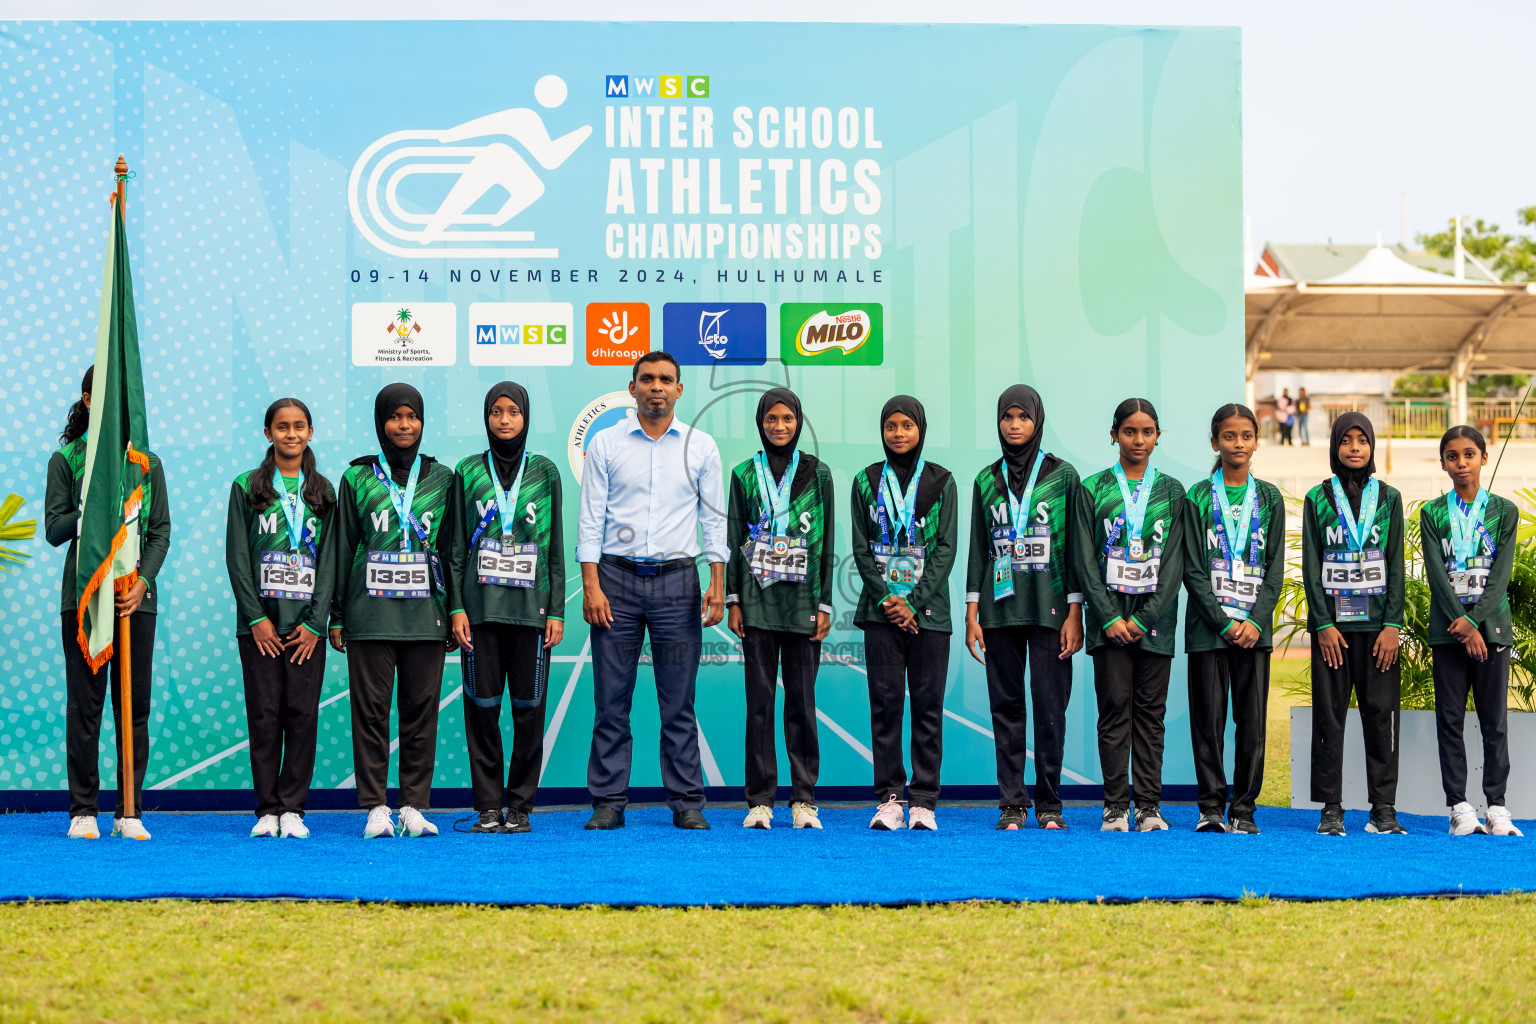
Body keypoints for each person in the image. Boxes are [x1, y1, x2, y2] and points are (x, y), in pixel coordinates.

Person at [576, 351, 727, 831]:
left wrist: (718, 584)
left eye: (666, 379)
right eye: (647, 379)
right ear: (632, 387)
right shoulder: (604, 443)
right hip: (614, 584)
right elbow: (590, 519)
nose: (656, 387)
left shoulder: (701, 446)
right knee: (610, 700)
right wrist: (591, 585)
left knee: (678, 701)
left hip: (678, 584)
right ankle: (608, 801)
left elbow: (713, 520)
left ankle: (687, 801)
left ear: (679, 389)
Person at [46, 366, 170, 840]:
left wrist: (145, 581)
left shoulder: (147, 463)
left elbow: (159, 531)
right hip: (84, 600)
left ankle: (129, 811)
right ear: (87, 399)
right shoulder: (67, 459)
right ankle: (83, 810)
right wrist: (93, 511)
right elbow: (56, 529)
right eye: (104, 396)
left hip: (135, 600)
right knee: (85, 706)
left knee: (133, 708)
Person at [328, 383, 456, 839]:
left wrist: (455, 610)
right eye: (395, 417)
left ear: (422, 422)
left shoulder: (442, 478)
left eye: (412, 417)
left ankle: (415, 807)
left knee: (421, 712)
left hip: (426, 616)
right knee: (371, 713)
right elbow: (341, 549)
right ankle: (376, 808)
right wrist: (337, 615)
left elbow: (452, 549)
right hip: (369, 617)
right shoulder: (357, 479)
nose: (404, 425)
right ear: (381, 422)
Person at [963, 385, 1084, 831]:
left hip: (1052, 610)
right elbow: (979, 548)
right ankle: (1012, 803)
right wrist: (972, 613)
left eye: (1023, 417)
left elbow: (1075, 548)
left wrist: (1076, 611)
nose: (1014, 425)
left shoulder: (1063, 477)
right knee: (1006, 708)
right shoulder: (985, 479)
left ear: (1037, 421)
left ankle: (1050, 804)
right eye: (1007, 417)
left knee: (1051, 708)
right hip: (999, 611)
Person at [447, 382, 565, 834]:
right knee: (482, 711)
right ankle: (488, 807)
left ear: (526, 417)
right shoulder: (467, 471)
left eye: (513, 411)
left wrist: (555, 610)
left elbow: (555, 547)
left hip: (532, 614)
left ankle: (520, 807)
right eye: (496, 411)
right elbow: (456, 547)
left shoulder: (546, 471)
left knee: (529, 710)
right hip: (479, 614)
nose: (504, 420)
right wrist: (456, 607)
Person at [224, 398, 335, 839]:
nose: (291, 434)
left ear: (310, 433)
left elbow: (330, 561)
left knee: (302, 715)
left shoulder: (324, 491)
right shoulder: (246, 486)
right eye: (282, 427)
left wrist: (315, 623)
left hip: (307, 628)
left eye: (299, 426)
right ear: (267, 433)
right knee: (265, 715)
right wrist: (255, 618)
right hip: (261, 628)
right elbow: (236, 557)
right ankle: (267, 809)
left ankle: (293, 809)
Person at [1073, 398, 1186, 833]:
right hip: (1109, 626)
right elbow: (1084, 560)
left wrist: (1144, 617)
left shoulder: (1173, 491)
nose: (1139, 440)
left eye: (1147, 432)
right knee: (1114, 712)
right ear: (1114, 435)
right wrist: (1108, 617)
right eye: (1130, 432)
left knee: (1150, 715)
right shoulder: (1092, 488)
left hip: (1154, 623)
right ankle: (1116, 805)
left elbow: (1174, 564)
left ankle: (1150, 806)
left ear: (1158, 436)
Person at [726, 388, 836, 830]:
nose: (779, 426)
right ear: (761, 423)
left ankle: (804, 798)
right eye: (771, 419)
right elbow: (733, 540)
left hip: (803, 604)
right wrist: (734, 600)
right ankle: (760, 800)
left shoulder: (818, 473)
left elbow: (827, 543)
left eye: (787, 418)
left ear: (798, 422)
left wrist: (825, 601)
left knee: (802, 702)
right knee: (760, 703)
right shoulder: (744, 474)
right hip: (756, 604)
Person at [851, 396, 958, 831]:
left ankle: (924, 801)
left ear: (921, 429)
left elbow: (946, 548)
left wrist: (912, 601)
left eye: (907, 426)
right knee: (885, 705)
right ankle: (891, 798)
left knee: (928, 707)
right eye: (891, 426)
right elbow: (861, 548)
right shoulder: (865, 480)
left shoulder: (942, 481)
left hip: (928, 614)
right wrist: (888, 601)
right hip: (880, 615)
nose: (898, 433)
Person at [1181, 404, 1286, 835]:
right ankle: (1210, 808)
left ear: (1256, 440)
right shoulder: (1197, 496)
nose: (1238, 444)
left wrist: (1257, 621)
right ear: (1214, 442)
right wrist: (1223, 622)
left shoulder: (1271, 498)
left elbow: (1276, 567)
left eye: (1246, 435)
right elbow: (1191, 566)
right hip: (1209, 631)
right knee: (1208, 723)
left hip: (1254, 633)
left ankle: (1244, 809)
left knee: (1252, 725)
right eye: (1229, 436)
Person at [1303, 412, 1407, 836]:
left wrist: (1393, 624)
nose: (1354, 447)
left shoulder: (1390, 497)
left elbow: (1397, 562)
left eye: (1362, 439)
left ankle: (1383, 807)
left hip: (1378, 631)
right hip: (1333, 633)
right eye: (1346, 440)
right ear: (1334, 447)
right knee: (1329, 717)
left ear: (1372, 447)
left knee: (1381, 715)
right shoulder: (1317, 497)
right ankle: (1331, 808)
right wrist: (1323, 623)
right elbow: (1312, 564)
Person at [1419, 426, 1522, 837]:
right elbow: (1436, 574)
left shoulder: (1503, 511)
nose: (1461, 464)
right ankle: (1459, 806)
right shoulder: (1433, 512)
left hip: (1492, 629)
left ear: (1483, 456)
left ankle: (1497, 806)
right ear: (1443, 462)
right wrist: (1462, 627)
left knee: (1495, 720)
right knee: (1450, 720)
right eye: (1451, 456)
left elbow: (1500, 576)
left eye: (1468, 455)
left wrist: (1476, 621)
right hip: (1448, 631)